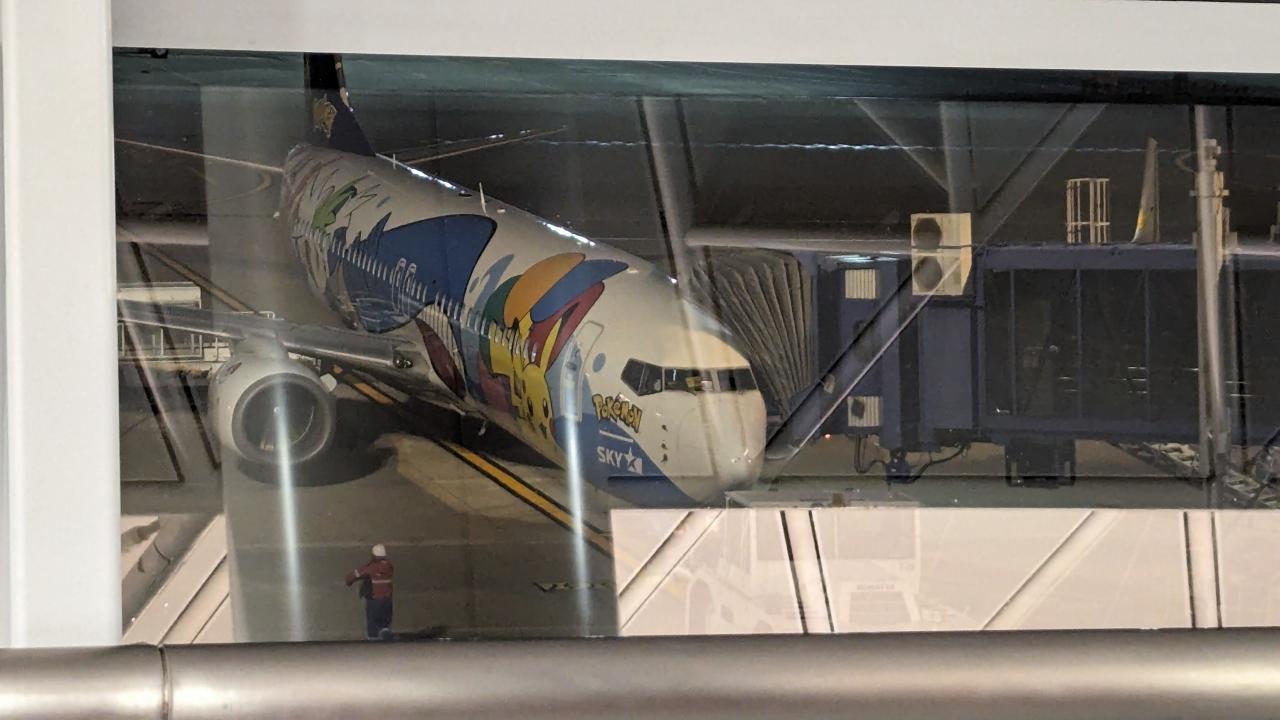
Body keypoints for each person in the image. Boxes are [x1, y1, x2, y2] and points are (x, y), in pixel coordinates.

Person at [345, 544, 394, 640]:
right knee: (385, 624)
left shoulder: (371, 567)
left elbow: (354, 575)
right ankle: (386, 637)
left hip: (374, 599)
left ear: (374, 555)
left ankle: (373, 641)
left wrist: (349, 580)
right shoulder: (389, 567)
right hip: (387, 600)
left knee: (373, 624)